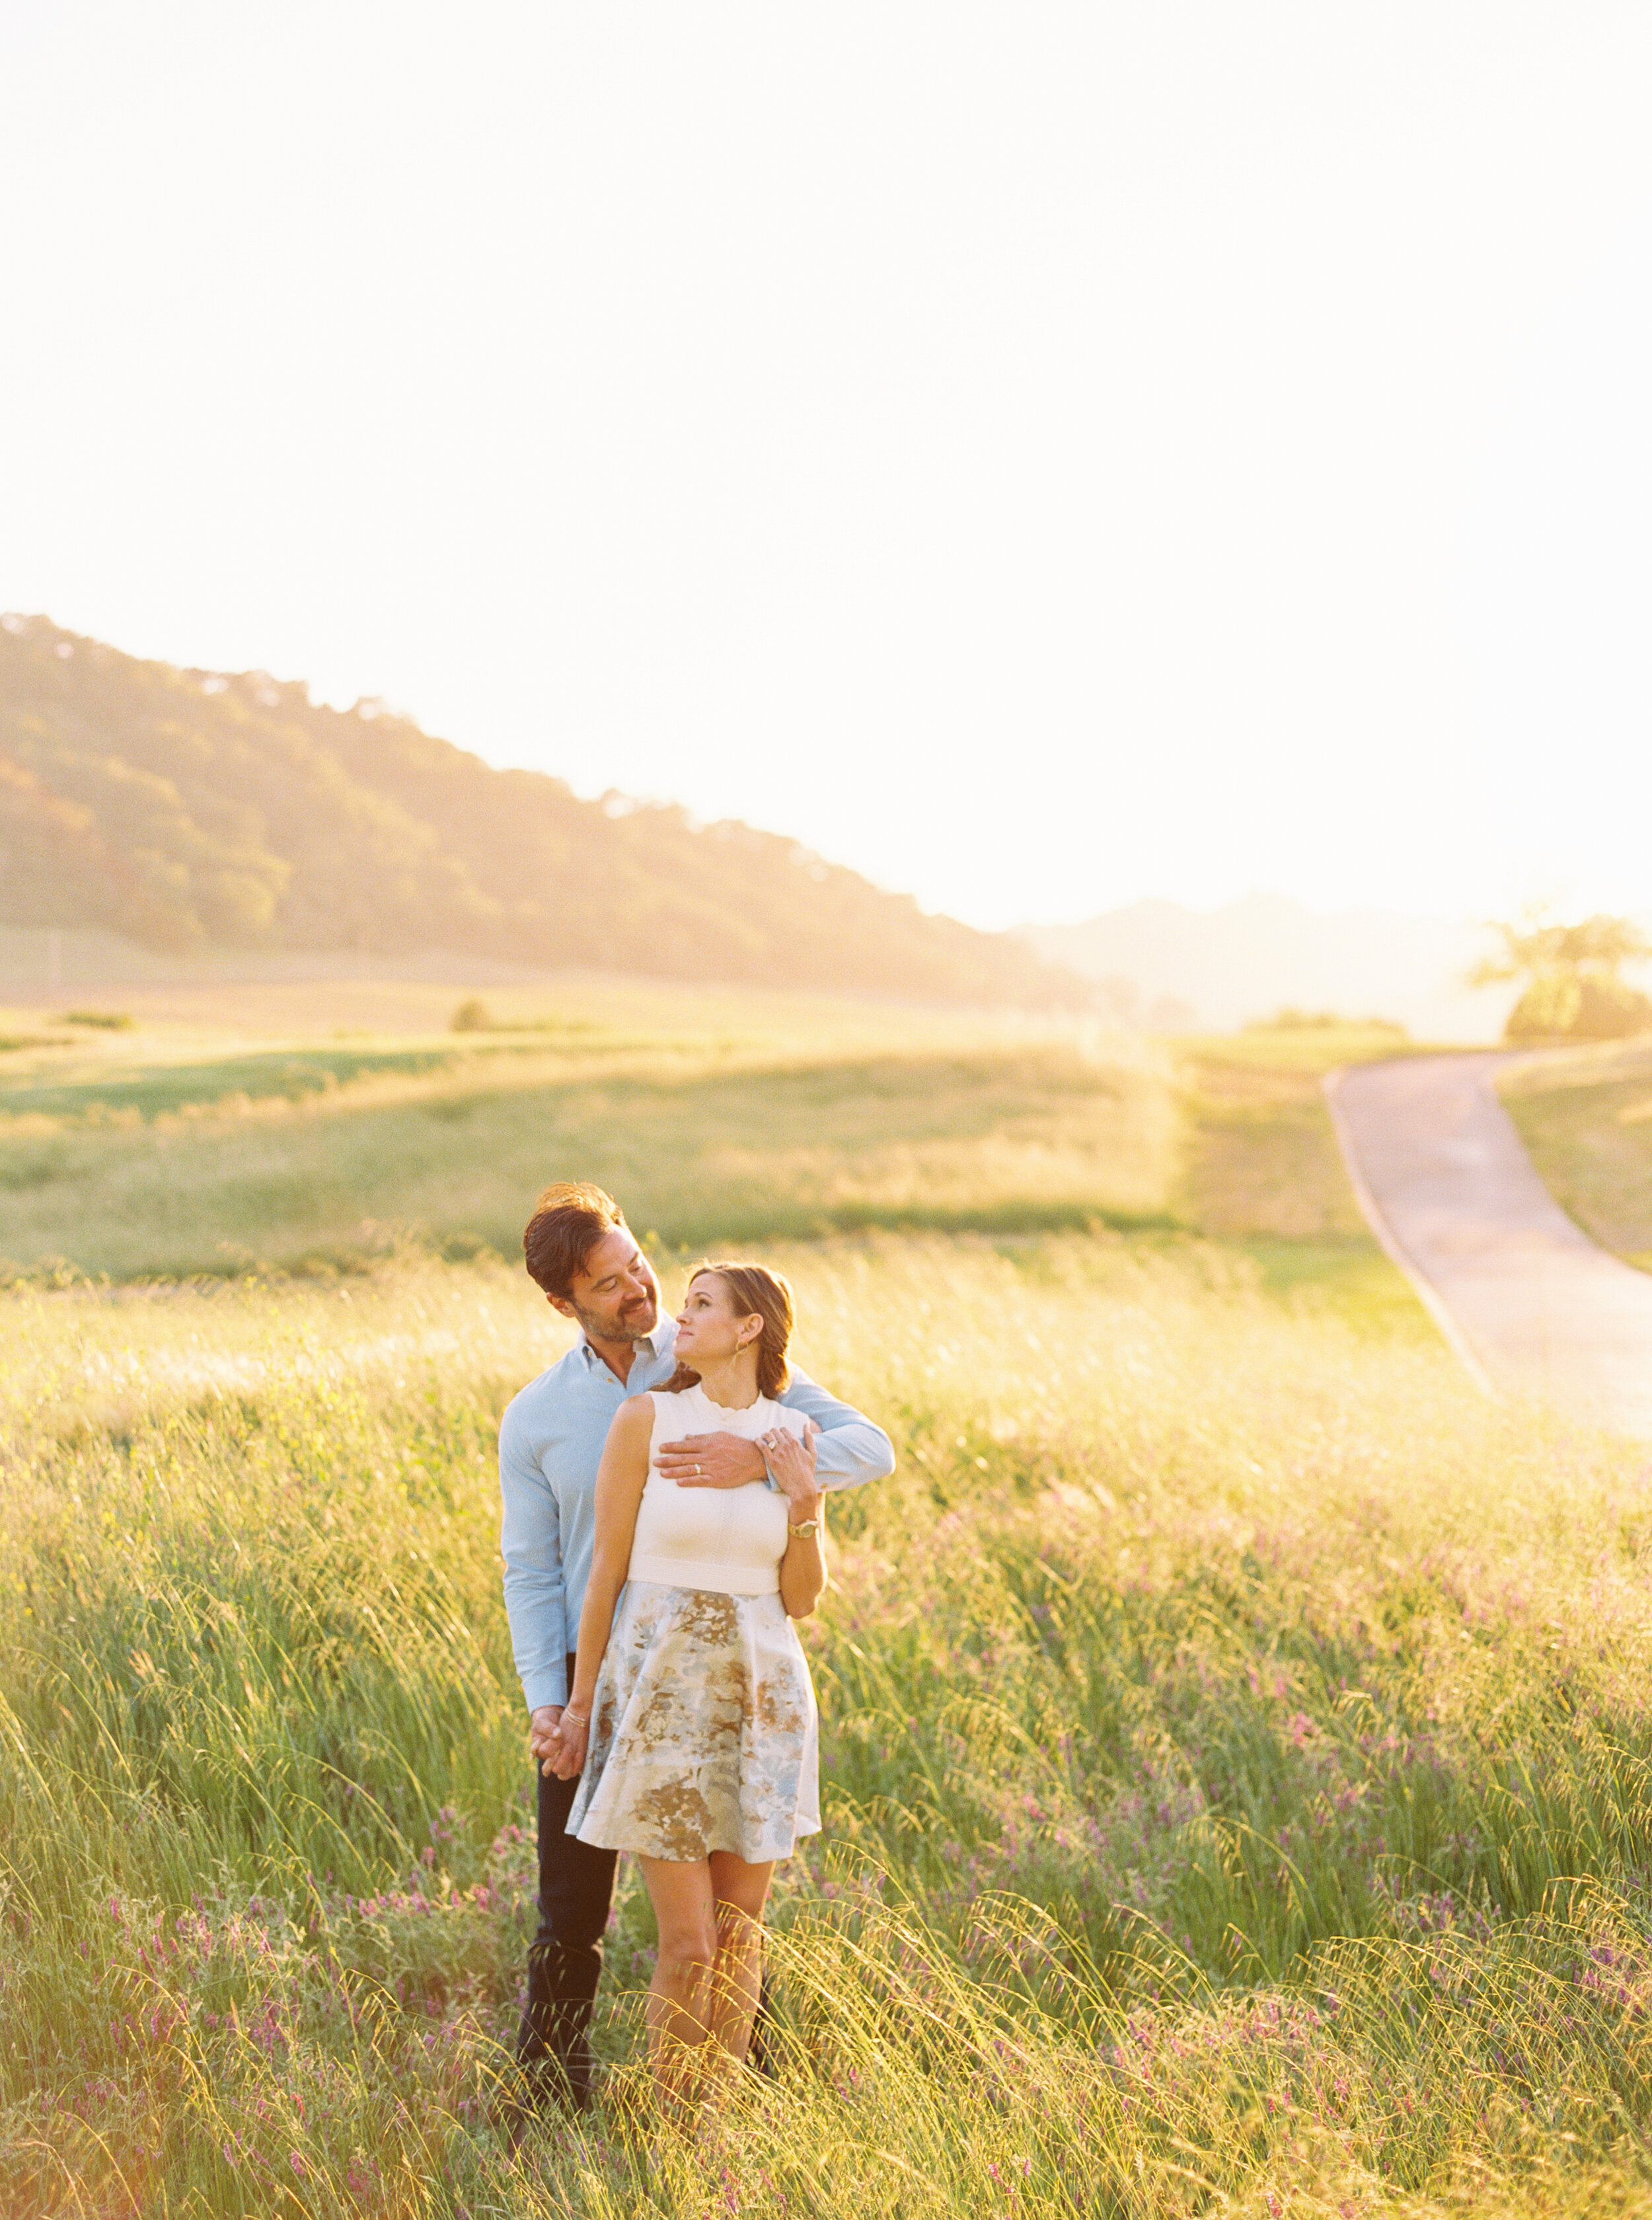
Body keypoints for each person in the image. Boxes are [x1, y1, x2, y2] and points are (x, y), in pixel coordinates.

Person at [498, 1183, 893, 2120]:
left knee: (728, 1922)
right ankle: (549, 2097)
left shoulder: (715, 1344)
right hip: (607, 1667)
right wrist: (550, 1700)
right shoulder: (542, 1416)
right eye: (611, 1283)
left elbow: (865, 1448)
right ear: (566, 1304)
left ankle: (734, 2098)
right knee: (572, 1908)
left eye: (639, 1263)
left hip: (737, 1668)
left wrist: (756, 1460)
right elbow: (535, 1572)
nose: (642, 1290)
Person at [547, 1260, 825, 2115]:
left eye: (702, 1306)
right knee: (692, 1945)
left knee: (741, 1940)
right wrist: (581, 1704)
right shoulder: (646, 1419)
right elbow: (604, 1579)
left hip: (764, 1697)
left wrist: (805, 1499)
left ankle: (718, 2136)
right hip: (660, 1695)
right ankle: (669, 2130)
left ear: (750, 1328)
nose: (681, 1317)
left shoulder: (790, 1436)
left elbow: (802, 1599)